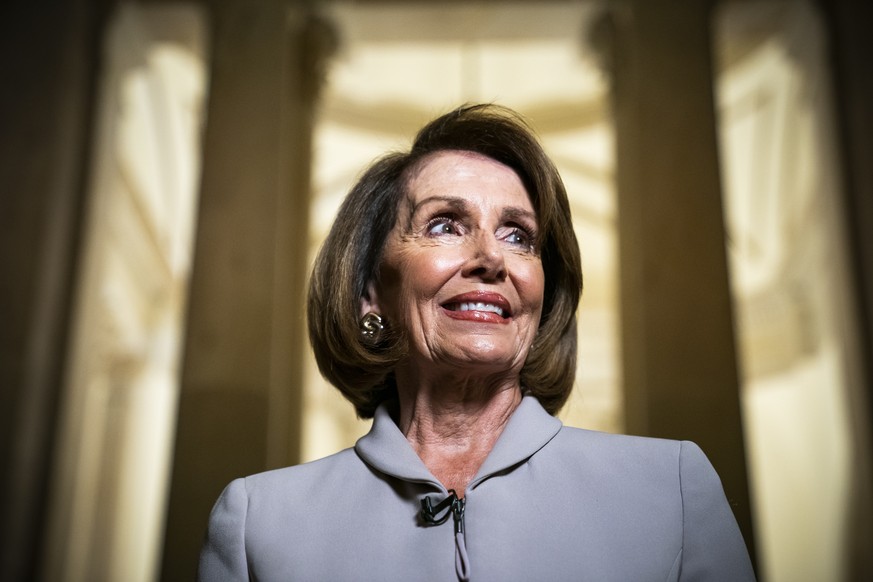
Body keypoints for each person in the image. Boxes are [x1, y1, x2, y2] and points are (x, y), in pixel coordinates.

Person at [198, 104, 756, 581]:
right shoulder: (258, 523)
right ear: (371, 292)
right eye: (444, 224)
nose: (491, 259)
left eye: (519, 236)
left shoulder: (671, 491)